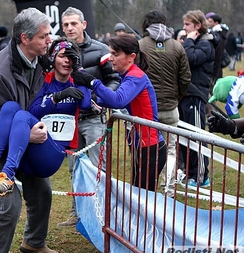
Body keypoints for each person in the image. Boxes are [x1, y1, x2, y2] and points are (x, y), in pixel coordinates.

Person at [0, 8, 60, 253]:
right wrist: (27, 136)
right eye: (44, 36)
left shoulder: (41, 61)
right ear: (24, 38)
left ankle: (33, 242)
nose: (49, 41)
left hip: (23, 136)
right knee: (9, 207)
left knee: (42, 191)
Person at [0, 38, 90, 197]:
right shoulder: (44, 81)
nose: (67, 61)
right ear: (53, 58)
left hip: (52, 154)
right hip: (29, 150)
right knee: (10, 107)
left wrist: (79, 70)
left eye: (72, 57)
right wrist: (55, 98)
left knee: (22, 115)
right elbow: (34, 111)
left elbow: (85, 103)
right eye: (62, 56)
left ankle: (8, 175)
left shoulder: (76, 83)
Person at [71, 34, 167, 192]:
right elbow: (111, 100)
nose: (110, 58)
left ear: (131, 57)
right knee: (139, 196)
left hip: (150, 146)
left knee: (144, 199)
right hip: (141, 145)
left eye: (116, 54)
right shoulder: (128, 76)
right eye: (110, 54)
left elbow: (118, 100)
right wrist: (94, 99)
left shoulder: (135, 76)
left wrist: (93, 82)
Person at [57, 6, 120, 227]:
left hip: (94, 118)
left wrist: (99, 98)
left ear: (84, 24)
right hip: (69, 119)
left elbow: (114, 79)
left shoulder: (101, 49)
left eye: (74, 23)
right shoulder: (58, 49)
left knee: (96, 167)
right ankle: (77, 213)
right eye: (65, 24)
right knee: (74, 168)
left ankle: (101, 213)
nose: (69, 28)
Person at [138, 10, 191, 196]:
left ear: (145, 24)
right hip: (170, 108)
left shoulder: (140, 45)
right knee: (170, 149)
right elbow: (185, 78)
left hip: (146, 110)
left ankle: (146, 187)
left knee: (145, 148)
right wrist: (177, 97)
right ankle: (167, 188)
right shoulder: (177, 46)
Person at [179, 10, 215, 187]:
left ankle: (201, 176)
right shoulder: (192, 43)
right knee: (185, 138)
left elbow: (190, 59)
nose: (184, 28)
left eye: (187, 25)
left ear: (197, 26)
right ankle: (189, 173)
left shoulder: (206, 44)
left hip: (195, 95)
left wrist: (189, 41)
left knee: (196, 136)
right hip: (184, 95)